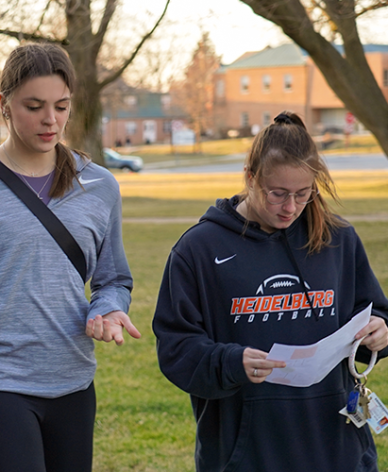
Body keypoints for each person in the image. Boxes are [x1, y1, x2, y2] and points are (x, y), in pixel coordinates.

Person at [0, 43, 139, 472]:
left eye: (61, 106)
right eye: (34, 106)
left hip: (74, 382)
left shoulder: (99, 186)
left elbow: (114, 279)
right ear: (4, 104)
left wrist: (109, 309)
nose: (50, 120)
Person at [152, 111, 388, 472]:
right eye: (277, 194)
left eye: (302, 194)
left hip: (335, 446)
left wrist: (380, 330)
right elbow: (176, 348)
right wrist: (231, 362)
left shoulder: (337, 240)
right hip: (246, 451)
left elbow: (375, 314)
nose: (290, 208)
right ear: (250, 177)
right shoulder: (199, 249)